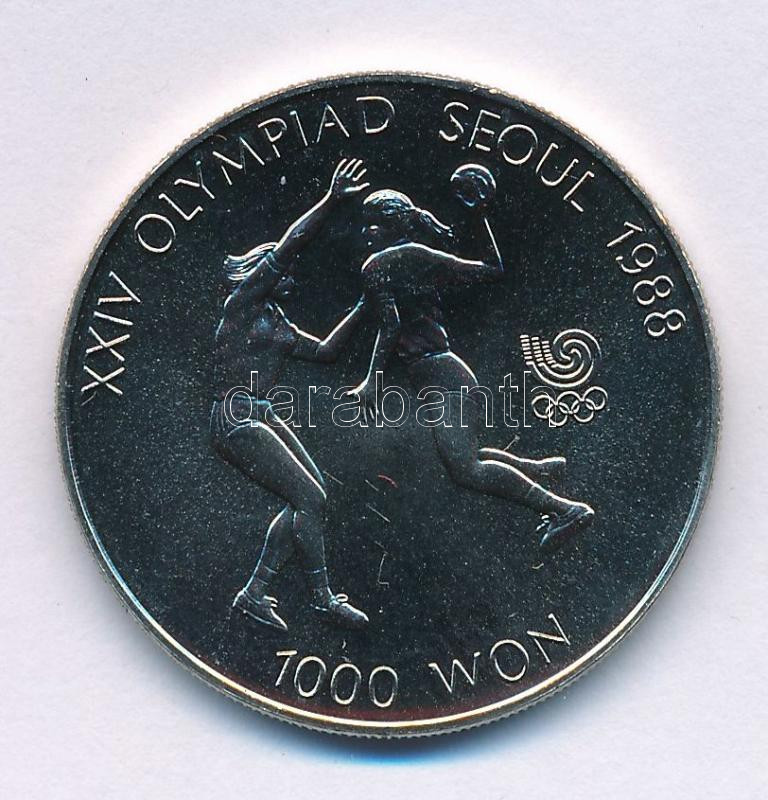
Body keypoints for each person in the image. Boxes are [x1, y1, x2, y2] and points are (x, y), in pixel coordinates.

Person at [347, 170, 594, 552]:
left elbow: (390, 326)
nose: (365, 233)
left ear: (393, 225)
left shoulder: (377, 265)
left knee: (466, 469)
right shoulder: (420, 256)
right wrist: (478, 216)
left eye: (372, 224)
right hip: (448, 372)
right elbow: (492, 269)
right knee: (468, 456)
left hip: (439, 375)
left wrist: (372, 381)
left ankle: (564, 509)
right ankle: (536, 471)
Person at [211, 158, 370, 631]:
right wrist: (331, 200)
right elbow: (291, 243)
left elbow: (324, 352)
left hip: (260, 412)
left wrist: (366, 304)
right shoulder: (242, 305)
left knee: (311, 497)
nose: (291, 274)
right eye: (283, 270)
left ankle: (256, 591)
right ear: (263, 273)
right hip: (236, 417)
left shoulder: (276, 320)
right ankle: (322, 598)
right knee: (310, 497)